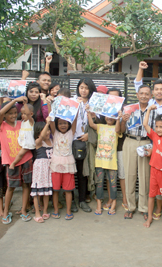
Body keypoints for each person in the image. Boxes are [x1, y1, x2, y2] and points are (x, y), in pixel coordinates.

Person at [134, 61, 162, 217]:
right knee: (150, 178)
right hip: (148, 142)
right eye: (156, 89)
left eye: (161, 89)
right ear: (153, 92)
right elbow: (138, 85)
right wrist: (141, 69)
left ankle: (159, 208)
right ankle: (147, 207)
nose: (159, 92)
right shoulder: (148, 102)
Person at [121, 85, 156, 220]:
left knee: (144, 176)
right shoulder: (129, 109)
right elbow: (121, 130)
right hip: (129, 141)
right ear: (137, 94)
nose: (144, 96)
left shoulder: (153, 110)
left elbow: (155, 132)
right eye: (141, 93)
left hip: (145, 142)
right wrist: (123, 121)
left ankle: (144, 207)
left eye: (147, 94)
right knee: (129, 175)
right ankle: (130, 207)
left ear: (150, 96)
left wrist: (153, 147)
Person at [0, 98, 34, 224]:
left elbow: (29, 115)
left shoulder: (22, 123)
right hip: (11, 161)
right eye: (10, 113)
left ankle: (23, 210)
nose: (13, 115)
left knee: (26, 185)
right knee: (11, 187)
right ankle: (6, 211)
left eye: (14, 113)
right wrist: (14, 101)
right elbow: (0, 113)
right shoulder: (1, 125)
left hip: (26, 158)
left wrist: (23, 104)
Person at [87, 105, 122, 215]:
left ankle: (114, 203)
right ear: (104, 117)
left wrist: (119, 118)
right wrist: (88, 112)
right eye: (107, 116)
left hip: (112, 162)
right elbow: (91, 124)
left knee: (112, 184)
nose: (109, 118)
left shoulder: (117, 128)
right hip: (100, 161)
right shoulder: (100, 126)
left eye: (112, 116)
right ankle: (99, 204)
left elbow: (117, 129)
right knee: (99, 184)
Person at [71, 78, 97, 212]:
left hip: (85, 141)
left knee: (83, 173)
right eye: (81, 87)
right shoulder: (72, 101)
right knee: (69, 173)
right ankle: (71, 202)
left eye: (86, 88)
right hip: (71, 140)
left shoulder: (95, 103)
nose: (83, 90)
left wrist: (89, 135)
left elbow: (99, 122)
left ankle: (82, 200)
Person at [49, 116, 78, 220]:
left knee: (68, 190)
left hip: (68, 164)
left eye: (65, 123)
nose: (63, 125)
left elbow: (75, 119)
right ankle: (56, 210)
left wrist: (77, 107)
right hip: (56, 164)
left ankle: (68, 211)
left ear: (69, 124)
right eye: (60, 123)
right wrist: (48, 103)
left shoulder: (71, 133)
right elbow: (51, 119)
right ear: (57, 125)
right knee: (55, 190)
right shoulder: (55, 133)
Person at [30, 121, 53, 223]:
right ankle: (37, 213)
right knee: (37, 191)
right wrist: (47, 123)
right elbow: (43, 135)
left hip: (49, 168)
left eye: (48, 130)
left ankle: (45, 211)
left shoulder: (52, 141)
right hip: (40, 168)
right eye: (44, 130)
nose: (47, 132)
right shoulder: (38, 142)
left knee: (46, 191)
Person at [9, 100, 35, 170]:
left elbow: (28, 114)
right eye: (22, 113)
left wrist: (25, 104)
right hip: (23, 141)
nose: (23, 115)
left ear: (31, 114)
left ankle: (13, 163)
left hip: (28, 143)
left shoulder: (31, 121)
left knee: (20, 154)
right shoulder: (23, 122)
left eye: (25, 114)